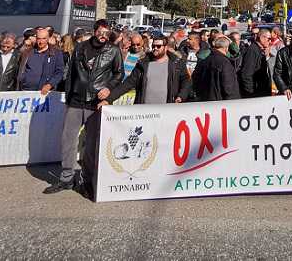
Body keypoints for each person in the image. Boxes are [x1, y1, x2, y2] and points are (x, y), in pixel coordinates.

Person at [44, 20, 124, 194]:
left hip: (96, 102)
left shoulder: (114, 50)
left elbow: (119, 74)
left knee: (91, 143)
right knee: (68, 140)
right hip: (76, 100)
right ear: (95, 31)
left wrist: (108, 88)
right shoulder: (80, 47)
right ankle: (66, 179)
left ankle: (87, 180)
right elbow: (71, 72)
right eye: (101, 32)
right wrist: (68, 95)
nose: (104, 36)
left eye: (107, 33)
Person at [108, 34, 192, 105]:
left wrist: (181, 96)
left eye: (158, 46)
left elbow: (186, 80)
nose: (155, 48)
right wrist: (109, 99)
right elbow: (128, 83)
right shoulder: (143, 63)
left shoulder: (176, 63)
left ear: (166, 48)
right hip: (145, 112)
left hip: (167, 109)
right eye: (153, 46)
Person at [193, 36, 240, 101]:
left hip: (206, 100)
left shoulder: (205, 60)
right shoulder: (224, 63)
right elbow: (229, 88)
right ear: (226, 48)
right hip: (221, 103)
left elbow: (195, 78)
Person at [19, 27, 64, 94]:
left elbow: (59, 72)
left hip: (44, 92)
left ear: (48, 38)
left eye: (44, 38)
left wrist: (50, 84)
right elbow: (21, 69)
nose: (41, 41)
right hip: (25, 91)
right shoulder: (27, 52)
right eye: (39, 39)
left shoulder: (56, 53)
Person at [239, 28, 273, 98]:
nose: (270, 41)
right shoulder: (252, 51)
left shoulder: (259, 50)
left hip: (262, 92)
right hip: (255, 94)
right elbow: (246, 75)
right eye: (269, 39)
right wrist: (251, 94)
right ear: (261, 38)